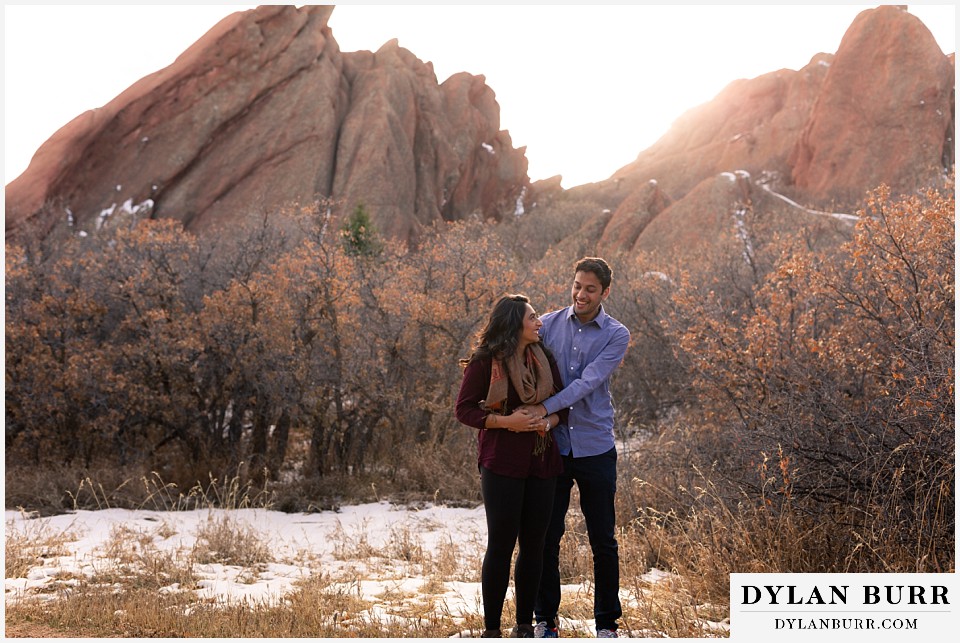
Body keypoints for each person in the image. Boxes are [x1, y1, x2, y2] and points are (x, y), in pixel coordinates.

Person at [521, 257, 631, 639]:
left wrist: (544, 408)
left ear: (604, 293)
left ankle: (606, 623)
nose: (580, 294)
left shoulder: (617, 335)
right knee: (547, 536)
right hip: (552, 446)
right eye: (577, 286)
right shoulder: (548, 324)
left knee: (603, 538)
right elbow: (519, 357)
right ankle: (545, 620)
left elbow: (587, 383)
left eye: (590, 289)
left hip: (595, 446)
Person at [456, 294, 567, 639]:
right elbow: (465, 410)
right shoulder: (486, 361)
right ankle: (492, 631)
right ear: (514, 323)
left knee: (535, 545)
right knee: (501, 545)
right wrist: (507, 422)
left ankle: (523, 627)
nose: (539, 322)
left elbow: (563, 405)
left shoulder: (543, 358)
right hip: (501, 461)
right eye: (532, 317)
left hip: (542, 460)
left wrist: (547, 421)